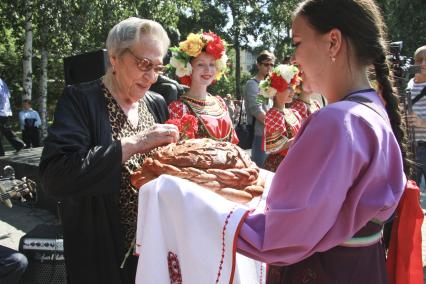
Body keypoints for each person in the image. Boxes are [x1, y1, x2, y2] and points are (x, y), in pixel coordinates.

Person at [235, 0, 409, 283]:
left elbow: (283, 236)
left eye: (297, 43)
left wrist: (202, 212)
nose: (293, 59)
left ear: (333, 42)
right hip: (361, 268)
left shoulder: (338, 120)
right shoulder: (370, 108)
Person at [39, 17, 179, 284]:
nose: (151, 77)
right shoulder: (80, 100)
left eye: (157, 67)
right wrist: (135, 143)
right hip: (102, 252)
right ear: (114, 58)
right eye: (143, 64)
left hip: (153, 250)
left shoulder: (157, 103)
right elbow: (56, 175)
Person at [168, 31, 239, 143]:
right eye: (200, 64)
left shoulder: (220, 102)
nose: (208, 70)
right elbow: (180, 153)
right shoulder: (180, 108)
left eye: (211, 64)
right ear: (189, 68)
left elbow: (233, 143)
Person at [260, 64, 302, 172]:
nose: (292, 91)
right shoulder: (274, 114)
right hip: (280, 166)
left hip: (294, 163)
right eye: (288, 87)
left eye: (292, 87)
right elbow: (274, 148)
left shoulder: (292, 112)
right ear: (276, 91)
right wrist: (302, 137)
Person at [244, 51, 275, 167]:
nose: (269, 68)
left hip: (271, 135)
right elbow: (256, 110)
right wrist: (274, 125)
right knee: (261, 171)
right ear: (258, 65)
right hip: (260, 134)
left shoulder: (269, 84)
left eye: (272, 65)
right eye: (266, 64)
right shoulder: (252, 84)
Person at [406, 45, 426, 186]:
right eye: (419, 60)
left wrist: (421, 123)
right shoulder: (408, 84)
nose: (423, 63)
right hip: (412, 148)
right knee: (412, 194)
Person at [0, 77, 25, 156]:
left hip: (1, 111)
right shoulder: (2, 82)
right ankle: (18, 144)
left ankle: (1, 152)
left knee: (5, 130)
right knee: (5, 130)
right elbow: (8, 95)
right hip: (5, 111)